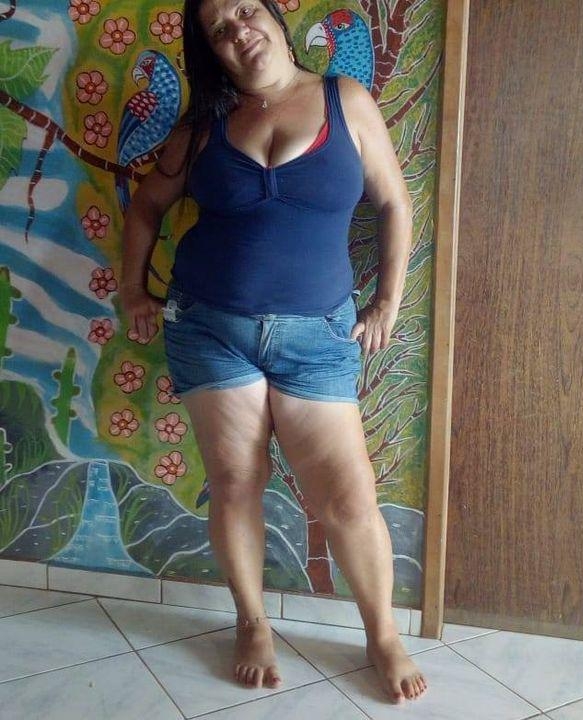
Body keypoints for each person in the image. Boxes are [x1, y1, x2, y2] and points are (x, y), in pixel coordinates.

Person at [120, 0, 426, 704]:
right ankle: (252, 623)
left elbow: (393, 203)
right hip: (209, 328)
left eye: (245, 10)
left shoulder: (345, 100)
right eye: (219, 30)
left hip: (317, 338)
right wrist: (133, 291)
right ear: (212, 51)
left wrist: (388, 302)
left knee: (347, 498)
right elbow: (146, 206)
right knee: (235, 482)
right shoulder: (202, 126)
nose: (238, 31)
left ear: (275, 19)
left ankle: (382, 635)